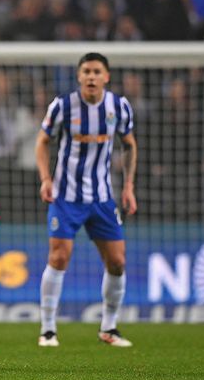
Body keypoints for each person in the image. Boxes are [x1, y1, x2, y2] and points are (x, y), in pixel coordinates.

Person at [35, 53, 138, 348]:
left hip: (102, 198)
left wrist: (128, 186)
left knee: (117, 261)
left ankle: (109, 327)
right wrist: (45, 178)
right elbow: (42, 142)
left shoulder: (118, 107)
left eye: (97, 72)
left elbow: (129, 145)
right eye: (86, 72)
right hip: (66, 197)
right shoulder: (63, 106)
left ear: (106, 77)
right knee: (58, 257)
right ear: (79, 77)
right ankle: (48, 329)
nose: (91, 77)